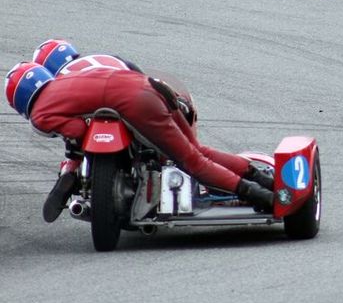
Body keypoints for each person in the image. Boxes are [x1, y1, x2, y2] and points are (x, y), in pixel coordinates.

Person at [4, 61, 275, 223]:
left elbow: (78, 129)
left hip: (139, 103)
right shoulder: (67, 79)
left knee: (191, 162)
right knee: (197, 150)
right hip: (154, 85)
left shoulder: (40, 114)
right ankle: (262, 177)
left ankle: (262, 197)